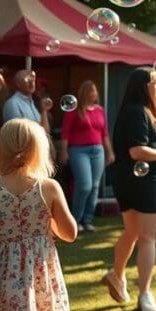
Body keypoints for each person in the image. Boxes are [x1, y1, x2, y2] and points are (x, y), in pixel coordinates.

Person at [101, 68, 156, 311]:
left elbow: (151, 144)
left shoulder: (140, 111)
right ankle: (145, 293)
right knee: (147, 237)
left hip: (132, 179)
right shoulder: (138, 112)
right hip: (143, 181)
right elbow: (137, 151)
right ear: (145, 86)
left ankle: (116, 275)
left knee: (133, 232)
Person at [0, 118, 77, 311]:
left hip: (3, 272)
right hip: (39, 273)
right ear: (38, 149)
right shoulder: (48, 187)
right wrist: (47, 220)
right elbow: (70, 234)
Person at [59, 80, 114, 233]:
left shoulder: (99, 110)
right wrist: (63, 151)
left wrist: (110, 152)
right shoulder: (74, 110)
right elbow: (65, 133)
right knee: (84, 185)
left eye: (95, 91)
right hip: (78, 150)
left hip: (98, 150)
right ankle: (75, 220)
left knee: (95, 186)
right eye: (91, 91)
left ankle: (88, 219)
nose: (94, 93)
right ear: (84, 93)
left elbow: (105, 133)